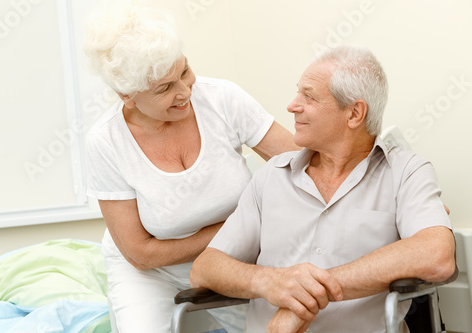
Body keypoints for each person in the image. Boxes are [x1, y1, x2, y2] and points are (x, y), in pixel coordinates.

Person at [190, 45, 457, 332]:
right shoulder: (271, 176)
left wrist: (305, 298)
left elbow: (436, 255)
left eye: (309, 96)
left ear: (354, 113)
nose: (292, 105)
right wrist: (270, 282)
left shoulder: (406, 172)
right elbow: (204, 269)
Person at [83, 1, 300, 332]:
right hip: (148, 271)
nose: (185, 91)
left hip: (231, 257)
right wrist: (238, 228)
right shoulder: (105, 142)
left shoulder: (223, 98)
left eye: (184, 71)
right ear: (127, 96)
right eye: (165, 88)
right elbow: (141, 253)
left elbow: (299, 163)